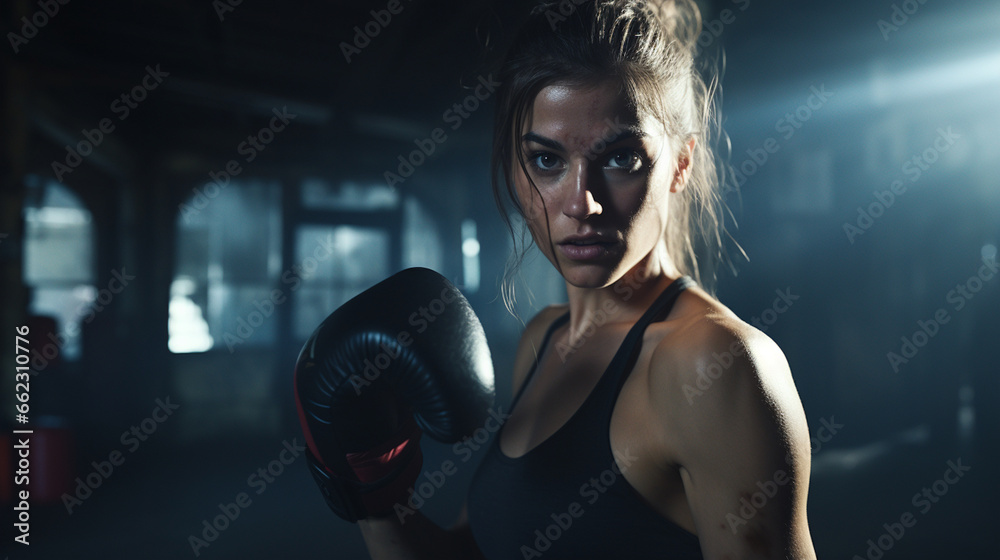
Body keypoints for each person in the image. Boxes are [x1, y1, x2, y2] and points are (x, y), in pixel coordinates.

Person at [299, 1, 817, 558]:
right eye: (547, 161)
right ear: (513, 168)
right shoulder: (543, 339)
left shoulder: (715, 365)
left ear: (682, 164)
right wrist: (372, 492)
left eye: (620, 158)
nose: (582, 203)